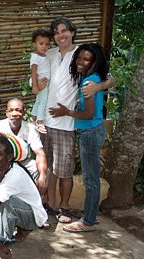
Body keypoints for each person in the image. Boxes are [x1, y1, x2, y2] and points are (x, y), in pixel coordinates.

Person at [40, 17, 114, 223]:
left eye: (64, 30)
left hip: (66, 123)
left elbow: (110, 78)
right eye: (56, 32)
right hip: (46, 121)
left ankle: (64, 207)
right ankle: (51, 204)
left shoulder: (83, 54)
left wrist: (98, 87)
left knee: (64, 169)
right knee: (50, 167)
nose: (60, 35)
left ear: (73, 32)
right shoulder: (50, 53)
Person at [49, 44, 108, 232]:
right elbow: (109, 80)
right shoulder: (93, 78)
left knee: (91, 179)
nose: (81, 62)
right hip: (91, 131)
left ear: (94, 61)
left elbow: (88, 114)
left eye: (86, 59)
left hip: (90, 132)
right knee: (91, 177)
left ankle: (88, 221)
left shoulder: (89, 83)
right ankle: (90, 217)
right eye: (79, 58)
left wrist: (67, 112)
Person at [0, 135, 47, 259]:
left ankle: (3, 248)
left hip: (32, 217)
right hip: (13, 211)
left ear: (9, 157)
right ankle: (11, 233)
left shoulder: (15, 174)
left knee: (6, 203)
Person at [0, 98, 47, 195]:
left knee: (37, 168)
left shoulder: (30, 128)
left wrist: (42, 176)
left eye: (18, 110)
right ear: (6, 113)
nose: (14, 113)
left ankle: (34, 204)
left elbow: (40, 153)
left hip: (23, 162)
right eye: (11, 110)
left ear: (24, 112)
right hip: (3, 162)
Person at [30, 28, 52, 134]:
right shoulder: (35, 57)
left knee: (38, 101)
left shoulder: (44, 55)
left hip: (40, 82)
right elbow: (33, 71)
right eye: (41, 43)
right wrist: (35, 85)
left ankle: (33, 117)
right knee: (43, 101)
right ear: (34, 44)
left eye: (47, 44)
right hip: (39, 82)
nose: (44, 46)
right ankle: (40, 122)